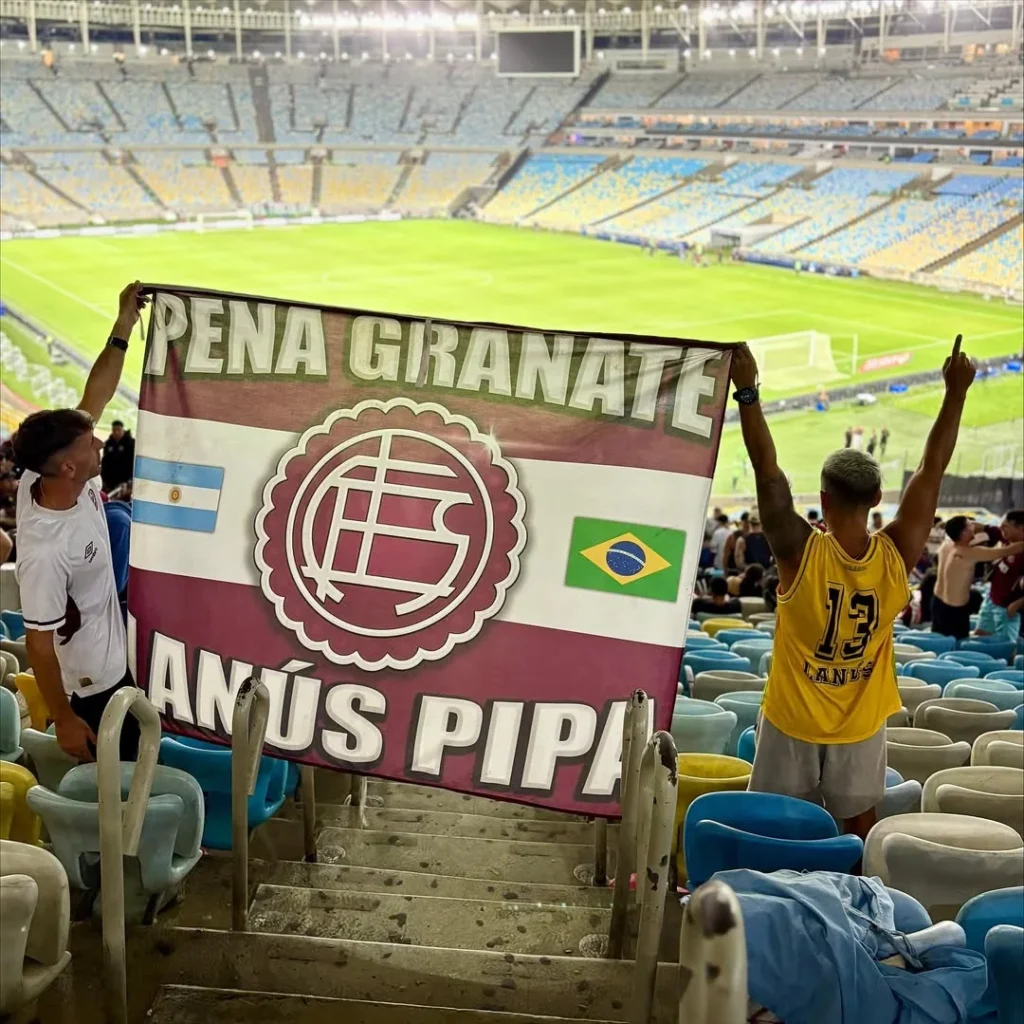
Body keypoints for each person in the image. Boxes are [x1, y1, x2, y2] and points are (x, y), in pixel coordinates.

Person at [732, 334, 977, 840]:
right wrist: (955, 393)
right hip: (861, 724)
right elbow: (932, 469)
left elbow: (767, 472)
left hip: (791, 719)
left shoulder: (799, 552)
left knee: (776, 833)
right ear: (878, 497)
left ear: (821, 497)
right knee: (859, 829)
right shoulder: (897, 555)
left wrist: (748, 392)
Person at [12, 282, 147, 763]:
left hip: (118, 667)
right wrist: (65, 719)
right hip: (94, 691)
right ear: (67, 466)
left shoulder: (47, 472)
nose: (99, 445)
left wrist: (123, 326)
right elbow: (39, 645)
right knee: (122, 795)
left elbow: (97, 392)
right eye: (90, 442)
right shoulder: (45, 550)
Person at [934, 515, 1023, 640]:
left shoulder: (946, 546)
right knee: (955, 645)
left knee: (938, 642)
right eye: (970, 525)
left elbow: (977, 529)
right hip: (955, 608)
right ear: (964, 532)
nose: (974, 526)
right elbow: (1009, 550)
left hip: (938, 602)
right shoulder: (971, 553)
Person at [975, 509, 1024, 643]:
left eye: (1006, 525)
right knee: (980, 635)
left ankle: (1009, 663)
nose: (1001, 528)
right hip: (991, 600)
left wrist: (1017, 604)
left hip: (1008, 606)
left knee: (1006, 645)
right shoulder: (1006, 538)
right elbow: (982, 527)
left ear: (1020, 528)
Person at [100, 419, 135, 493]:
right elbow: (105, 462)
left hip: (125, 482)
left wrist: (129, 480)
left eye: (119, 430)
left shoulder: (131, 444)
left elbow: (132, 463)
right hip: (110, 482)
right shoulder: (108, 444)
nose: (116, 432)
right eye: (114, 430)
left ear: (123, 430)